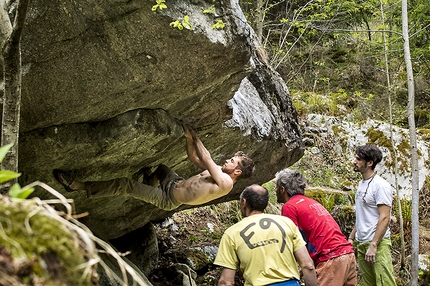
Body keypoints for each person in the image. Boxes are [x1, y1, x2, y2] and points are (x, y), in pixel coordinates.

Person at [53, 123, 255, 211]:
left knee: (125, 185)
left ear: (237, 171)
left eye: (232, 161)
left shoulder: (226, 183)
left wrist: (195, 136)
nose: (227, 161)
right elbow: (195, 158)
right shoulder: (220, 172)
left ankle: (77, 186)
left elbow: (206, 156)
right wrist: (187, 139)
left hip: (167, 198)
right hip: (173, 182)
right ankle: (148, 183)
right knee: (161, 168)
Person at [214, 184, 317, 286]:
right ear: (267, 204)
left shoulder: (232, 233)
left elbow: (226, 282)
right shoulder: (287, 223)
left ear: (243, 203)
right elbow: (308, 265)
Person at [275, 169, 357, 286]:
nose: (275, 191)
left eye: (276, 188)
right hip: (347, 254)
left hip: (330, 258)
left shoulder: (290, 206)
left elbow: (291, 240)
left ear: (282, 189)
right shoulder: (311, 202)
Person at [349, 144, 396, 286]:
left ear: (369, 163)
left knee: (385, 283)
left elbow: (385, 217)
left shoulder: (380, 186)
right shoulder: (361, 184)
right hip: (362, 243)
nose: (354, 161)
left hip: (378, 244)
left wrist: (374, 245)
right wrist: (351, 238)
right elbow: (362, 215)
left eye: (358, 159)